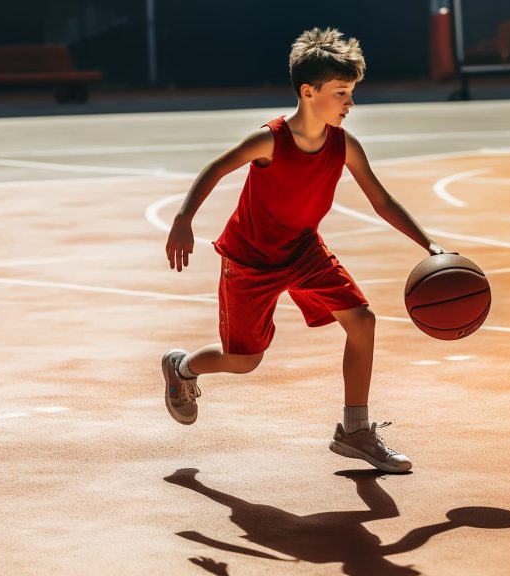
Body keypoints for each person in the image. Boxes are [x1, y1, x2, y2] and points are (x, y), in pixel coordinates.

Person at [161, 27, 448, 473]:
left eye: (352, 92)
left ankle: (355, 430)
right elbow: (216, 168)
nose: (350, 103)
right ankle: (183, 368)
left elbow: (382, 200)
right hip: (251, 260)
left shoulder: (344, 145)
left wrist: (428, 243)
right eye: (341, 93)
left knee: (362, 321)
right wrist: (183, 218)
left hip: (303, 250)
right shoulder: (270, 140)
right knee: (244, 360)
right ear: (308, 91)